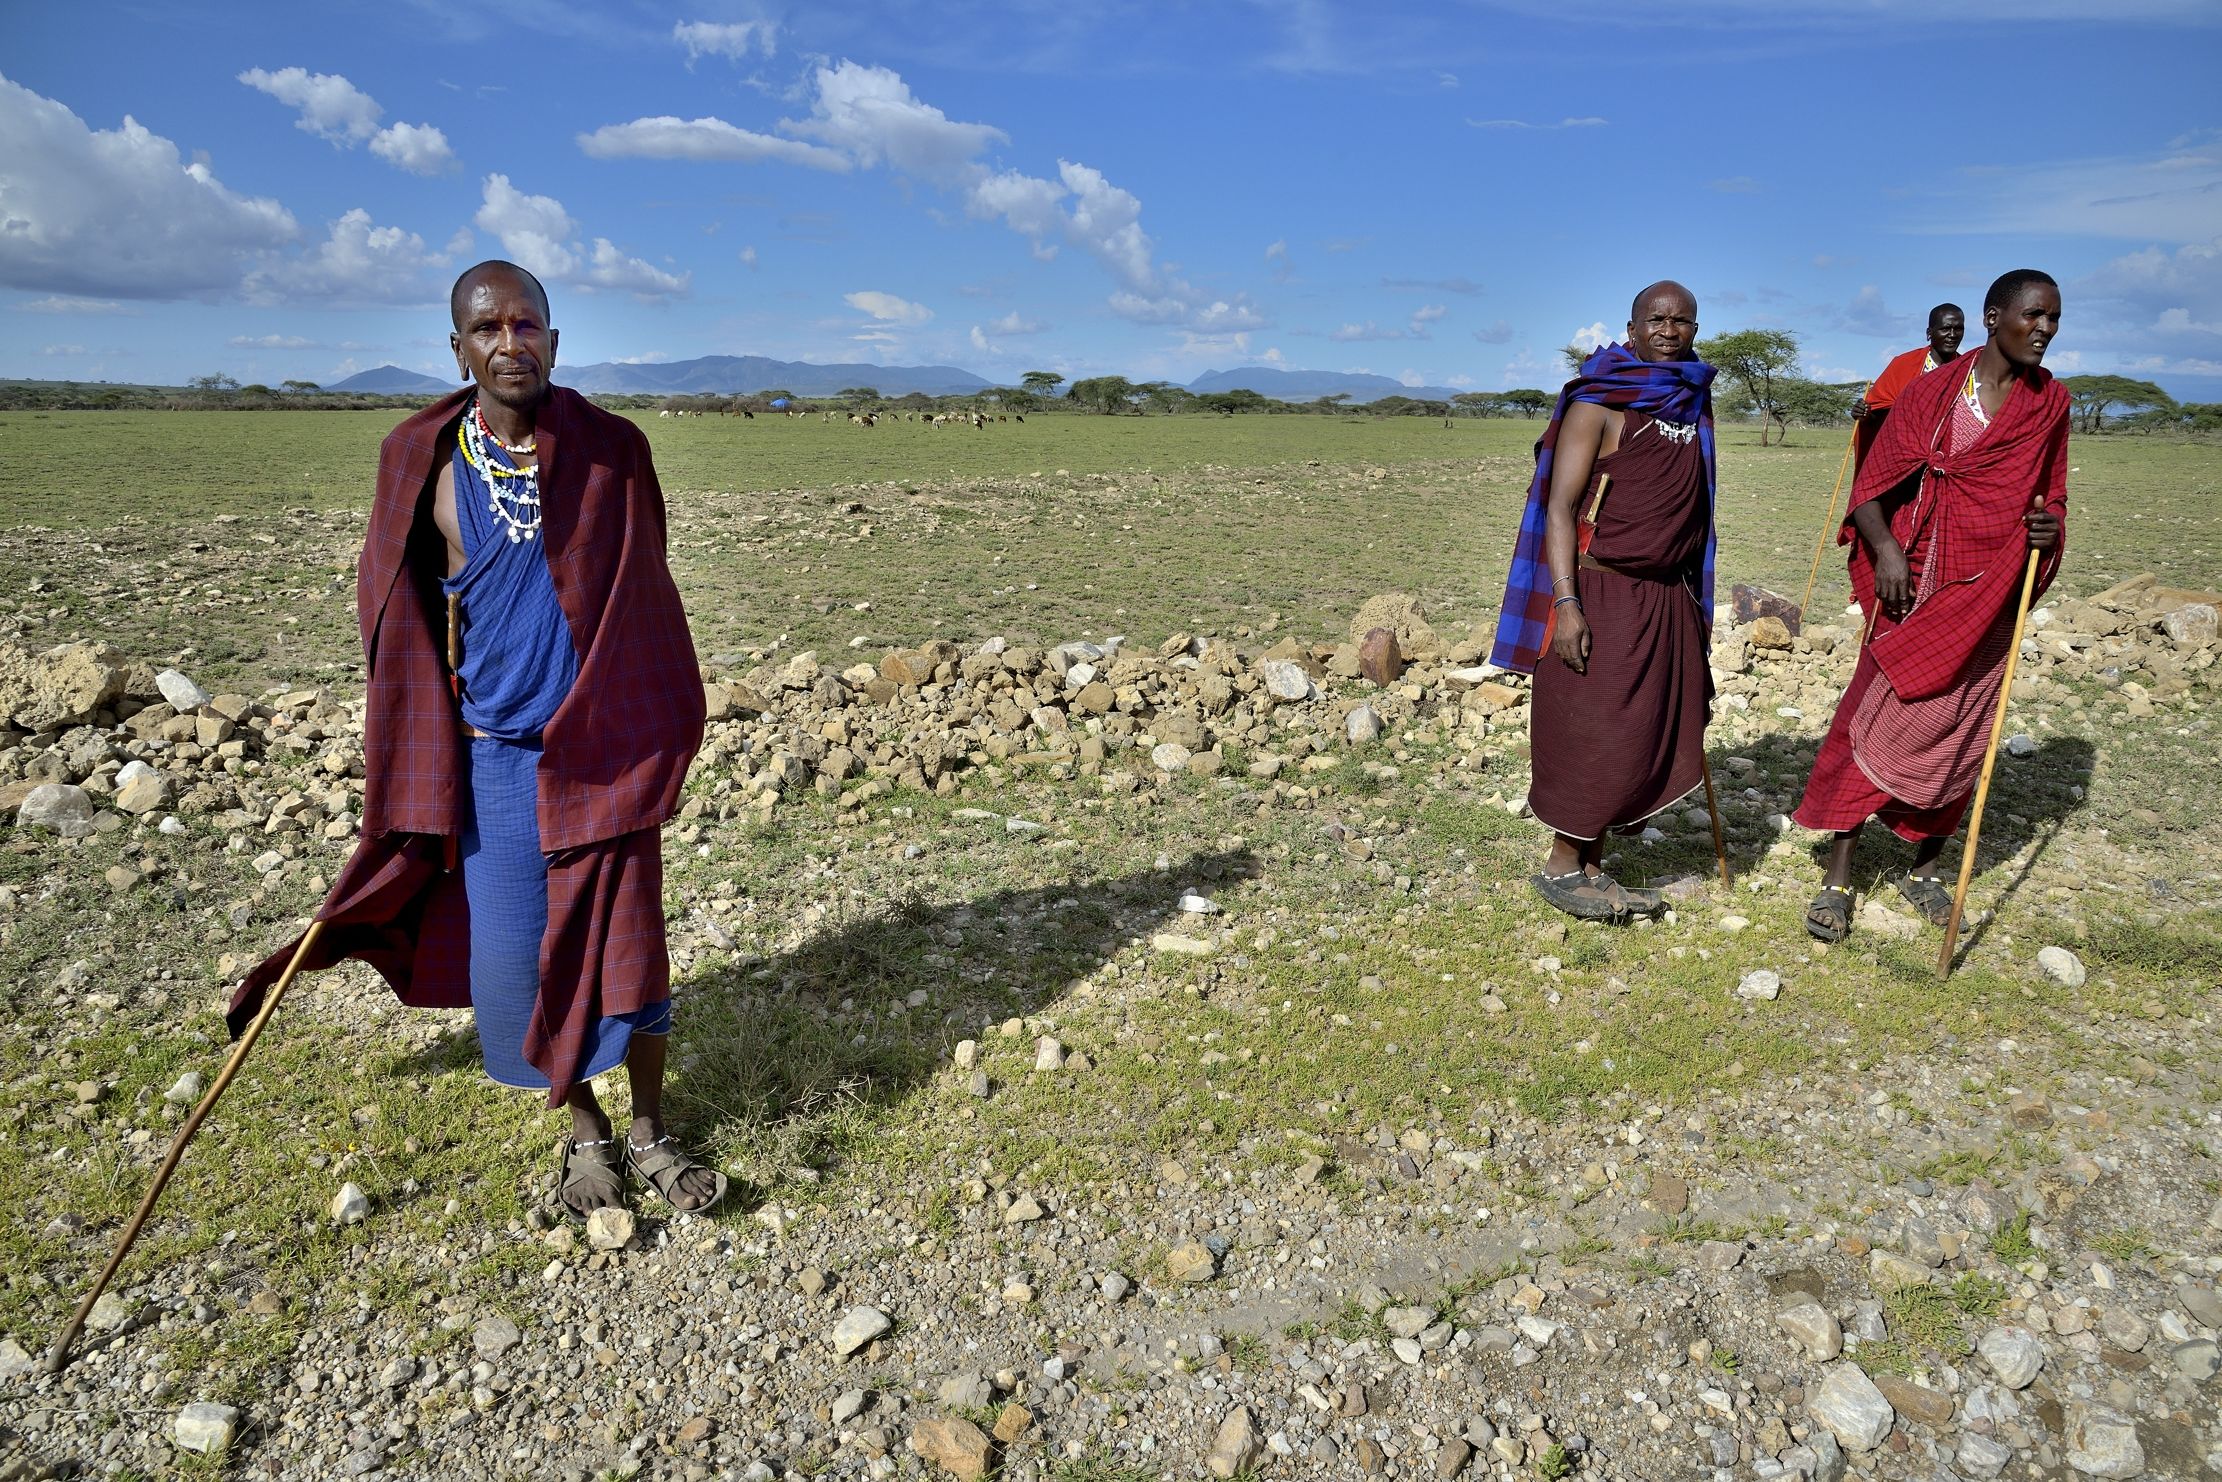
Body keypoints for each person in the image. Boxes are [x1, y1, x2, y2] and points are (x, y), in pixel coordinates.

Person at [231, 261, 720, 1217]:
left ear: (553, 339)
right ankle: (587, 1135)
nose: (511, 341)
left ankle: (653, 1132)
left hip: (603, 751)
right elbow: (396, 615)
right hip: (496, 755)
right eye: (488, 327)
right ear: (457, 348)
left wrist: (649, 725)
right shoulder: (426, 464)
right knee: (516, 961)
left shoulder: (614, 452)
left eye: (527, 323)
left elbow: (644, 600)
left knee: (630, 954)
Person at [1793, 270, 2067, 942]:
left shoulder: (2050, 402)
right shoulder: (1935, 392)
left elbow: (2052, 497)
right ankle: (1838, 876)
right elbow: (1872, 485)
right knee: (1872, 714)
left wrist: (2047, 530)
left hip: (1993, 587)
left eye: (2054, 319)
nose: (2044, 329)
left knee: (1964, 730)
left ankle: (1925, 869)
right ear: (1992, 316)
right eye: (2033, 315)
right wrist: (1885, 551)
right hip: (1911, 581)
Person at [1490, 282, 1720, 923]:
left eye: (1682, 320)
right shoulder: (1599, 403)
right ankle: (1565, 865)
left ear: (1695, 329)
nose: (1669, 329)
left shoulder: (1692, 401)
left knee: (1649, 722)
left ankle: (1594, 863)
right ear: (1632, 326)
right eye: (1657, 319)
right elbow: (1560, 508)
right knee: (1600, 726)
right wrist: (1567, 604)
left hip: (1666, 593)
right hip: (1603, 588)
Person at [1853, 304, 1966, 464]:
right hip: (1903, 459)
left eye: (1958, 329)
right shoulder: (1903, 365)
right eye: (1945, 329)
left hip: (1948, 460)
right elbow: (1879, 412)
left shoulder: (1967, 371)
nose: (1952, 335)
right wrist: (1865, 415)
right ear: (1929, 333)